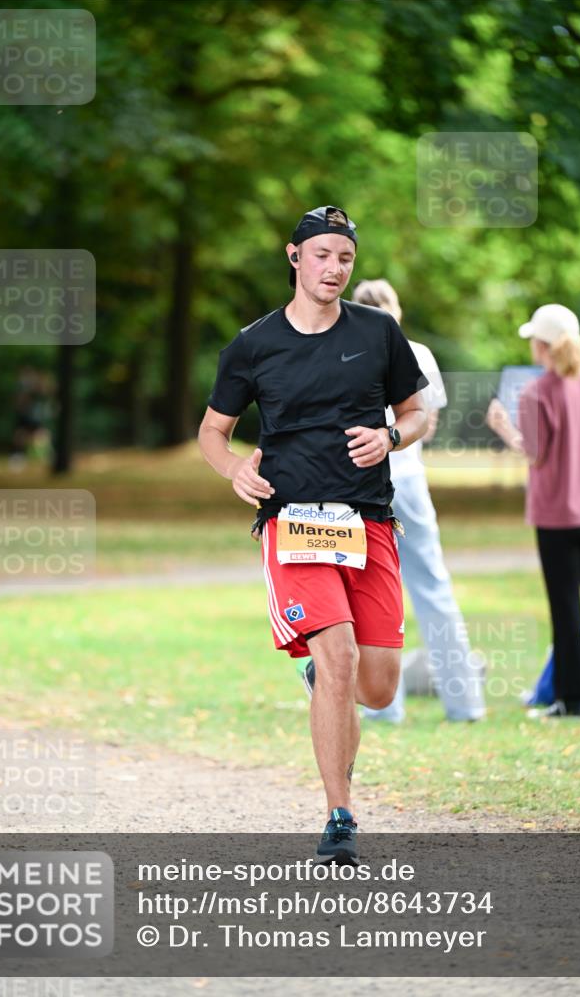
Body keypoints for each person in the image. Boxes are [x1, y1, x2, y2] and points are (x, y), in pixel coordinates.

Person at [199, 206, 428, 862]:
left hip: (368, 522)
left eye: (345, 258)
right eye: (322, 254)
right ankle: (339, 818)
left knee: (377, 686)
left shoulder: (380, 333)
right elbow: (211, 430)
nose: (334, 267)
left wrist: (388, 435)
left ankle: (324, 680)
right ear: (294, 257)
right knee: (338, 660)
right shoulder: (252, 344)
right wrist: (233, 469)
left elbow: (416, 413)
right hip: (291, 522)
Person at [345, 279, 485, 723]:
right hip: (411, 479)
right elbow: (426, 419)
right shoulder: (420, 353)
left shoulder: (350, 351)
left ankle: (385, 706)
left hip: (366, 486)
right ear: (396, 309)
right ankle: (465, 704)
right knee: (434, 587)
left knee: (372, 594)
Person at [487, 304, 580, 717]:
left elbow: (535, 454)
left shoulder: (538, 392)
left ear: (544, 345)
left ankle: (572, 698)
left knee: (566, 607)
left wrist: (504, 426)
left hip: (557, 516)